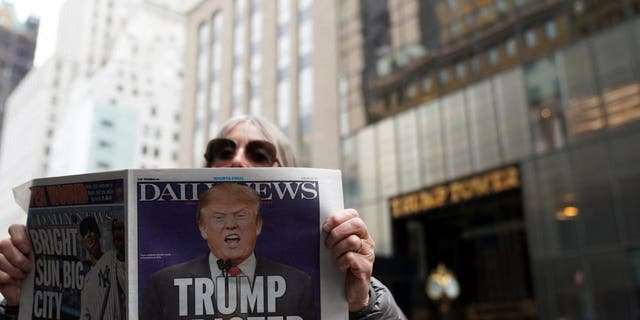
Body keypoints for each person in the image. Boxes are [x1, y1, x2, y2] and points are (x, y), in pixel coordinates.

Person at [0, 115, 407, 320]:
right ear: (200, 222)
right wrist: (20, 305)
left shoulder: (320, 278)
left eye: (259, 154)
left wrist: (362, 303)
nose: (238, 161)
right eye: (223, 151)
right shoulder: (159, 284)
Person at [140, 182, 316, 319]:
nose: (231, 225)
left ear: (258, 225)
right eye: (218, 218)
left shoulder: (298, 284)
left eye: (241, 216)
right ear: (202, 228)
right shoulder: (162, 284)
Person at [80, 219, 126, 320]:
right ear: (83, 242)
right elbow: (85, 316)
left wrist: (122, 252)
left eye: (91, 230)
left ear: (98, 234)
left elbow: (127, 286)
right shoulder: (87, 282)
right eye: (85, 233)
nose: (89, 235)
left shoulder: (113, 258)